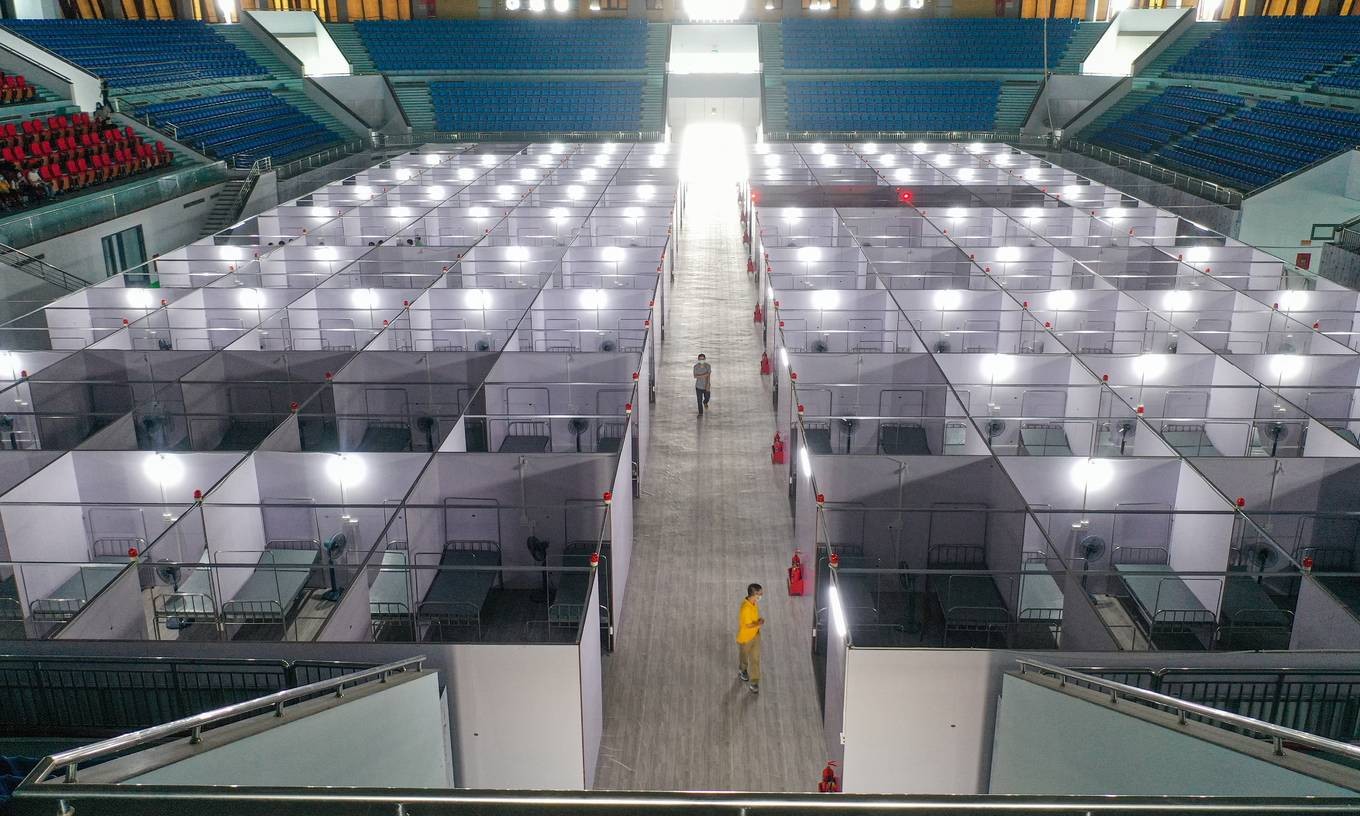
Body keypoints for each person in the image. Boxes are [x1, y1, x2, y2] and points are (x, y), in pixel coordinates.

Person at [736, 583, 764, 694]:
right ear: (753, 594)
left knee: (755, 659)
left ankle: (754, 682)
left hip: (755, 635)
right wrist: (759, 622)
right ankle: (742, 670)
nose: (761, 595)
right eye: (760, 594)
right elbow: (748, 625)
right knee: (744, 656)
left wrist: (758, 622)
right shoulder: (745, 608)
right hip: (746, 638)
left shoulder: (754, 603)